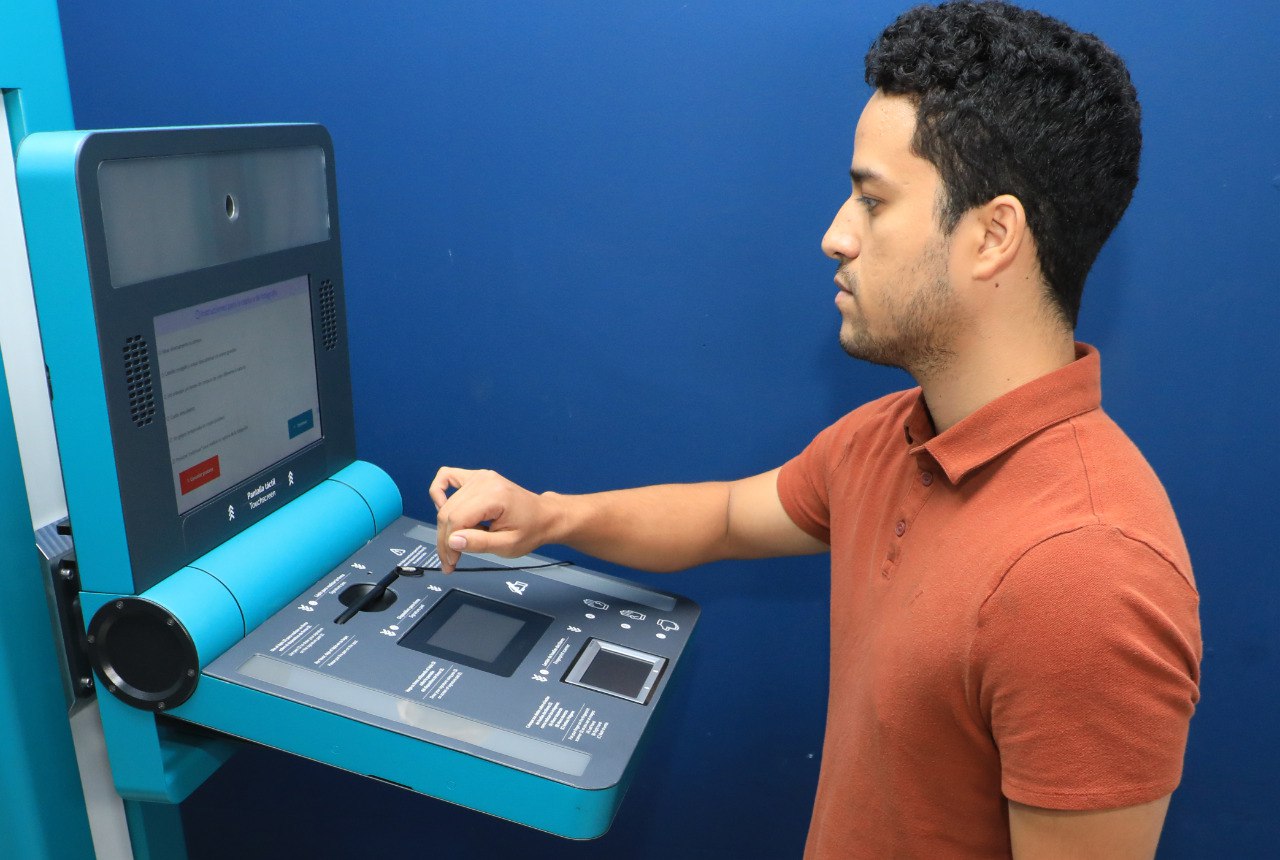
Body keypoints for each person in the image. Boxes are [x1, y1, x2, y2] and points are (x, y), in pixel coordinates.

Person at [428, 2, 1202, 857]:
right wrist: (549, 515)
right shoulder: (890, 437)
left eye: (873, 200)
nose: (836, 235)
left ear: (993, 235)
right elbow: (727, 516)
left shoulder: (1086, 576)